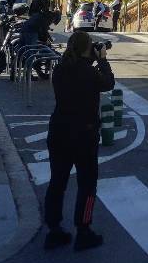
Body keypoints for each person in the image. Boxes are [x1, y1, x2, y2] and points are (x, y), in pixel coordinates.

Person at [43, 30, 114, 251]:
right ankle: (83, 230)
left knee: (57, 183)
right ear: (87, 48)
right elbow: (108, 83)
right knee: (87, 184)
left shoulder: (61, 69)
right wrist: (102, 60)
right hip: (84, 135)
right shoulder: (89, 72)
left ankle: (54, 229)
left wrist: (90, 57)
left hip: (59, 132)